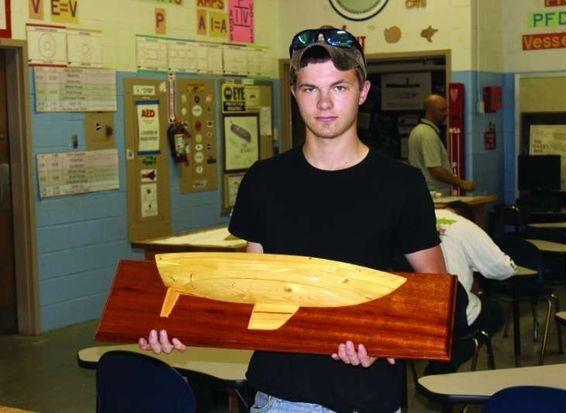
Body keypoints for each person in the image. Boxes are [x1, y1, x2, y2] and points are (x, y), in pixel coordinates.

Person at [140, 26, 447, 412]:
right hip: (280, 398)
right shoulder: (264, 181)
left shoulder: (401, 185)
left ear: (362, 93)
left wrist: (384, 340)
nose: (324, 103)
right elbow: (251, 288)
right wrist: (177, 324)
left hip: (368, 399)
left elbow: (435, 293)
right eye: (309, 89)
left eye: (339, 87)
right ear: (294, 94)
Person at [426, 200, 515, 374]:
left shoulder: (415, 218)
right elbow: (504, 269)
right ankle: (460, 351)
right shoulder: (464, 226)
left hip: (409, 311)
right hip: (451, 311)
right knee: (494, 312)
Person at [408, 94, 475, 195]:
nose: (446, 113)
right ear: (430, 111)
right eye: (442, 110)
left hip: (423, 190)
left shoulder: (417, 130)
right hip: (433, 193)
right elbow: (435, 170)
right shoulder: (427, 134)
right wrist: (462, 183)